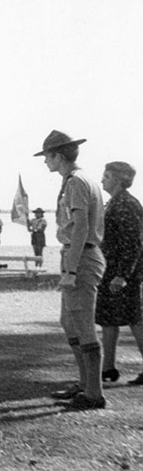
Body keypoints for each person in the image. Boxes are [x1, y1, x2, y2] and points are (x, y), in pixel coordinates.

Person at [35, 129, 106, 409]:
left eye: (47, 156)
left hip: (82, 257)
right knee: (69, 322)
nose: (45, 161)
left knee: (83, 324)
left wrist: (72, 270)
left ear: (58, 156)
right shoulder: (75, 180)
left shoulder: (76, 181)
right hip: (76, 255)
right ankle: (85, 383)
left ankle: (94, 393)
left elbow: (81, 227)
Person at [95, 162, 143, 386]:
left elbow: (133, 243)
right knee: (108, 320)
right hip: (110, 270)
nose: (102, 180)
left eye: (106, 176)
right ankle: (108, 368)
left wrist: (122, 275)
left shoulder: (126, 204)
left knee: (135, 320)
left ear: (118, 179)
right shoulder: (114, 203)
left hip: (123, 274)